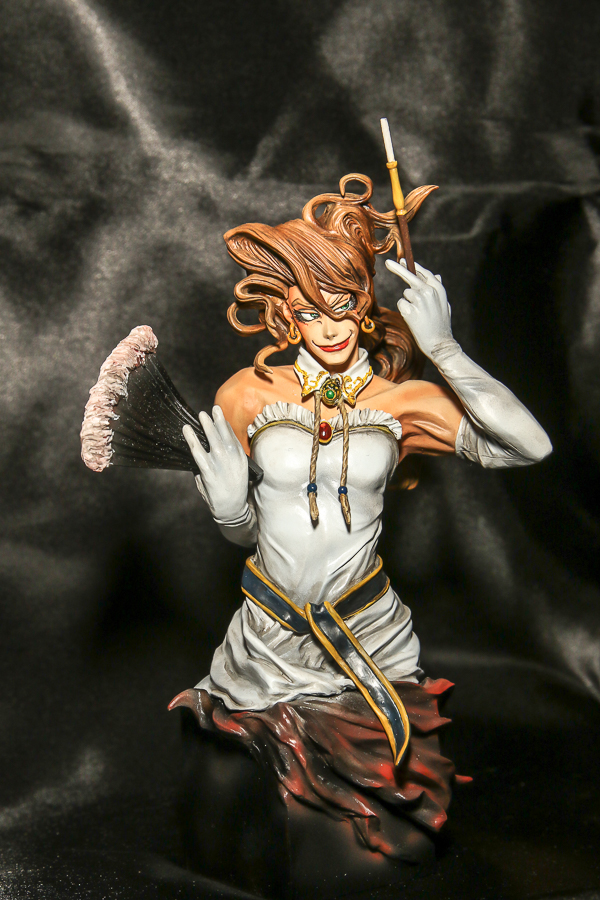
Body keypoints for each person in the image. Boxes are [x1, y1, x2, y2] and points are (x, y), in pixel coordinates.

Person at [170, 174, 551, 861]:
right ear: (286, 314)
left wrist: (444, 348)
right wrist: (229, 511)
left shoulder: (401, 402)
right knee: (248, 807)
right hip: (267, 640)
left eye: (343, 304)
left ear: (366, 303)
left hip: (368, 634)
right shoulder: (247, 394)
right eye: (310, 309)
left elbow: (530, 446)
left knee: (384, 814)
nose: (330, 326)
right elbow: (249, 534)